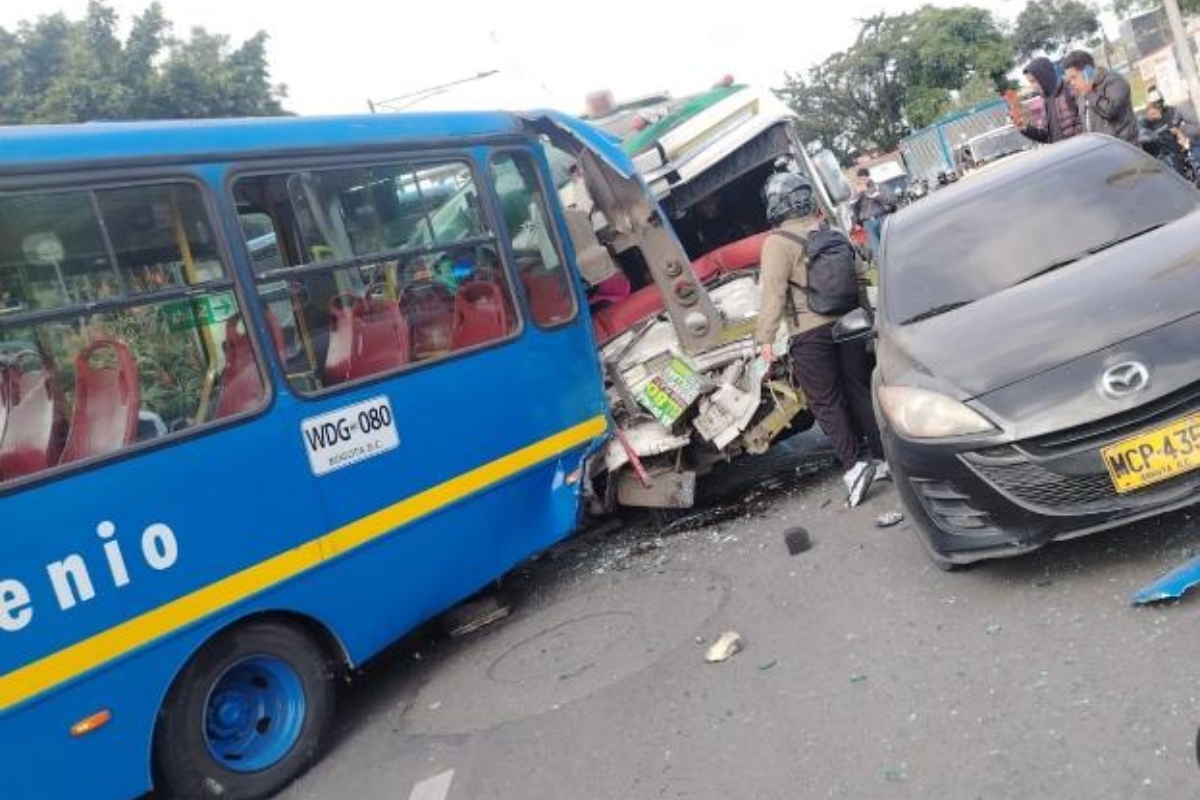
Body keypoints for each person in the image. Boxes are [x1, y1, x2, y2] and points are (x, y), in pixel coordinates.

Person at [755, 171, 885, 507]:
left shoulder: (776, 242)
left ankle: (855, 465)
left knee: (826, 401)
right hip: (850, 323)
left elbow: (773, 293)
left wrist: (765, 339)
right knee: (858, 390)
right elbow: (859, 274)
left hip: (810, 333)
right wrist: (867, 317)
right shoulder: (833, 231)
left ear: (776, 205)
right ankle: (884, 458)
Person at [1062, 50, 1138, 145]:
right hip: (1101, 152)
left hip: (1124, 149)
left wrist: (1090, 93)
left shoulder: (1114, 81)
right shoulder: (1082, 95)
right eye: (1070, 79)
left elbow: (1111, 110)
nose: (1072, 83)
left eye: (1074, 77)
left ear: (1087, 71)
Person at [1015, 56, 1082, 144]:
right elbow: (1048, 137)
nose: (1032, 86)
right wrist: (1026, 129)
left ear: (1044, 76)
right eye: (1030, 82)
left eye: (1033, 81)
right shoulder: (1046, 102)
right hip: (1061, 154)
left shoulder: (1071, 91)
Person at [1138, 91, 1200, 178]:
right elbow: (1143, 135)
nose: (1159, 105)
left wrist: (1180, 134)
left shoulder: (1170, 110)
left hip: (1178, 148)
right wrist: (1155, 130)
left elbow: (1174, 125)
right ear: (1150, 104)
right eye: (1156, 103)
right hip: (1162, 153)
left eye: (1160, 102)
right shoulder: (1144, 118)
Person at [851, 168, 896, 260]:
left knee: (888, 245)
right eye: (860, 179)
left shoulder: (878, 187)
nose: (862, 181)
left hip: (881, 218)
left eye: (864, 178)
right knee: (876, 252)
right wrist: (858, 196)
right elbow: (854, 210)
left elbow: (890, 201)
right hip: (867, 223)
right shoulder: (856, 192)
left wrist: (869, 192)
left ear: (868, 177)